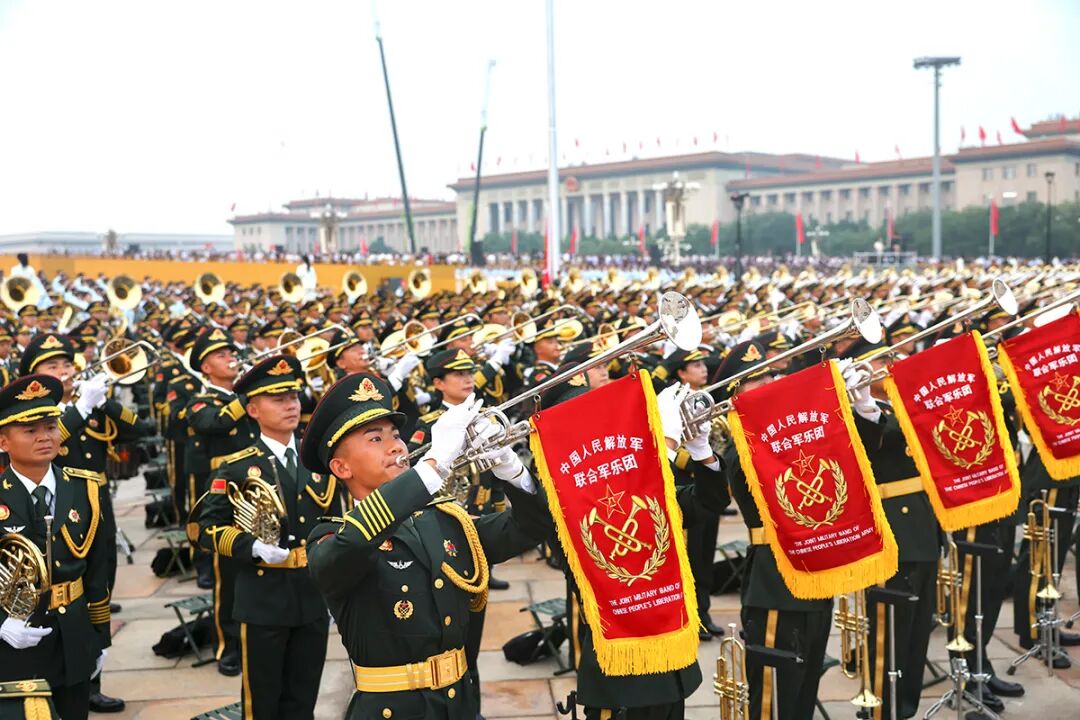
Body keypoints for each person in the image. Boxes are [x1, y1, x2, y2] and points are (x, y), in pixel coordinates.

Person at [304, 373, 549, 719]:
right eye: (375, 439)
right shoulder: (331, 536)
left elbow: (531, 528)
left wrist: (511, 470)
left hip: (459, 703)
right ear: (341, 467)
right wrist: (432, 467)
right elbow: (348, 549)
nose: (396, 446)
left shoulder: (442, 519)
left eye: (396, 436)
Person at [18, 332, 153, 714]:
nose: (63, 371)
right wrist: (78, 410)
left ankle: (91, 676)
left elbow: (136, 428)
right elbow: (46, 445)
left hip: (97, 506)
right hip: (54, 513)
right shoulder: (38, 418)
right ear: (34, 376)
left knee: (100, 585)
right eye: (52, 366)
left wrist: (101, 400)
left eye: (66, 364)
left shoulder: (88, 404)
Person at [197, 356, 333, 720]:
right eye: (278, 399)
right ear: (253, 408)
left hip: (312, 594)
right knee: (263, 701)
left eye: (292, 397)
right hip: (263, 598)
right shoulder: (238, 465)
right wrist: (250, 546)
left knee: (303, 697)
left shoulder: (317, 459)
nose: (291, 405)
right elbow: (205, 528)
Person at [0, 375, 111, 720]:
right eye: (30, 431)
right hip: (13, 636)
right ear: (3, 441)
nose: (44, 437)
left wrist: (100, 638)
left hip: (73, 634)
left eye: (50, 426)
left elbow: (98, 571)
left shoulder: (84, 488)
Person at [185, 327, 258, 676]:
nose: (230, 358)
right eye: (220, 355)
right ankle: (228, 645)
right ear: (205, 368)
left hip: (261, 489)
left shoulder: (249, 397)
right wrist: (247, 396)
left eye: (230, 352)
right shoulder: (201, 400)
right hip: (226, 496)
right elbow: (212, 423)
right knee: (226, 574)